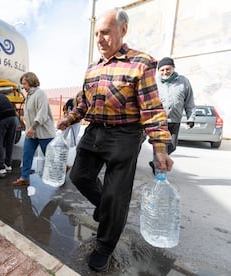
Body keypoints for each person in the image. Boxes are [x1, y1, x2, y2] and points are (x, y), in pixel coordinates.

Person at [57, 8, 173, 272]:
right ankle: (104, 207)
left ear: (123, 30)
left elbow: (153, 110)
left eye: (106, 32)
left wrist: (160, 148)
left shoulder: (141, 64)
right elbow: (83, 105)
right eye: (97, 33)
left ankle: (104, 246)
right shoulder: (92, 69)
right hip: (94, 131)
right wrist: (70, 119)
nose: (100, 39)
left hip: (125, 135)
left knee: (116, 196)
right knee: (79, 176)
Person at [12, 72, 56, 186]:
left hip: (43, 132)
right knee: (26, 154)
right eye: (22, 84)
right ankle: (24, 178)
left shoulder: (39, 93)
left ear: (31, 82)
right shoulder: (29, 96)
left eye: (25, 84)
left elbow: (42, 114)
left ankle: (62, 168)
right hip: (31, 133)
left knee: (51, 157)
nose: (23, 87)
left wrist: (33, 127)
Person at [156, 57, 196, 154]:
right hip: (159, 121)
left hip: (175, 121)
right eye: (162, 70)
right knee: (161, 147)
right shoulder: (155, 83)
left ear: (173, 68)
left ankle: (156, 163)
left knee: (172, 147)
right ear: (158, 71)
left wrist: (190, 119)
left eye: (168, 69)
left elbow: (189, 101)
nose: (165, 72)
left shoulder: (183, 82)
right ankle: (159, 167)